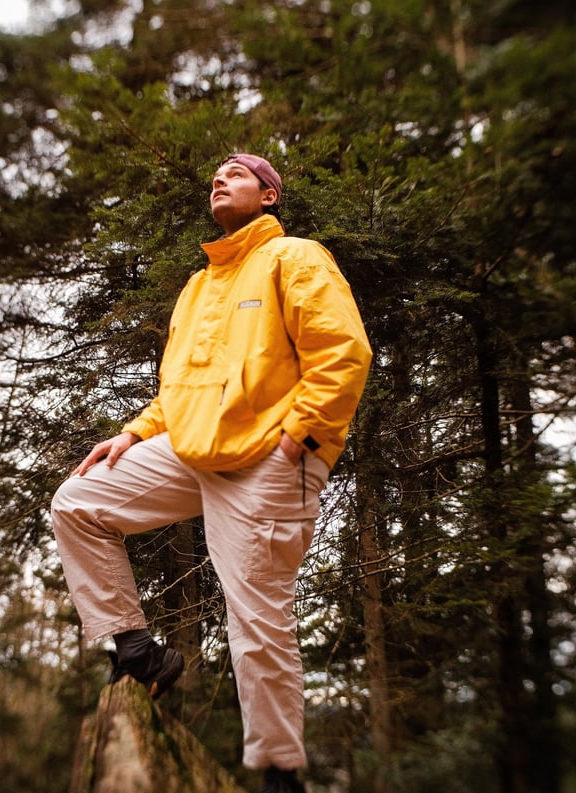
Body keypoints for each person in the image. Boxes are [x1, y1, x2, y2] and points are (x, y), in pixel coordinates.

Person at [51, 153, 372, 793]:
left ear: (269, 195)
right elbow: (181, 387)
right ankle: (137, 652)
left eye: (236, 174)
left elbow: (344, 353)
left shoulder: (295, 257)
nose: (219, 180)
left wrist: (301, 437)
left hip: (271, 457)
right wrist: (135, 431)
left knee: (256, 619)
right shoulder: (197, 286)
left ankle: (281, 774)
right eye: (215, 178)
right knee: (78, 502)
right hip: (192, 448)